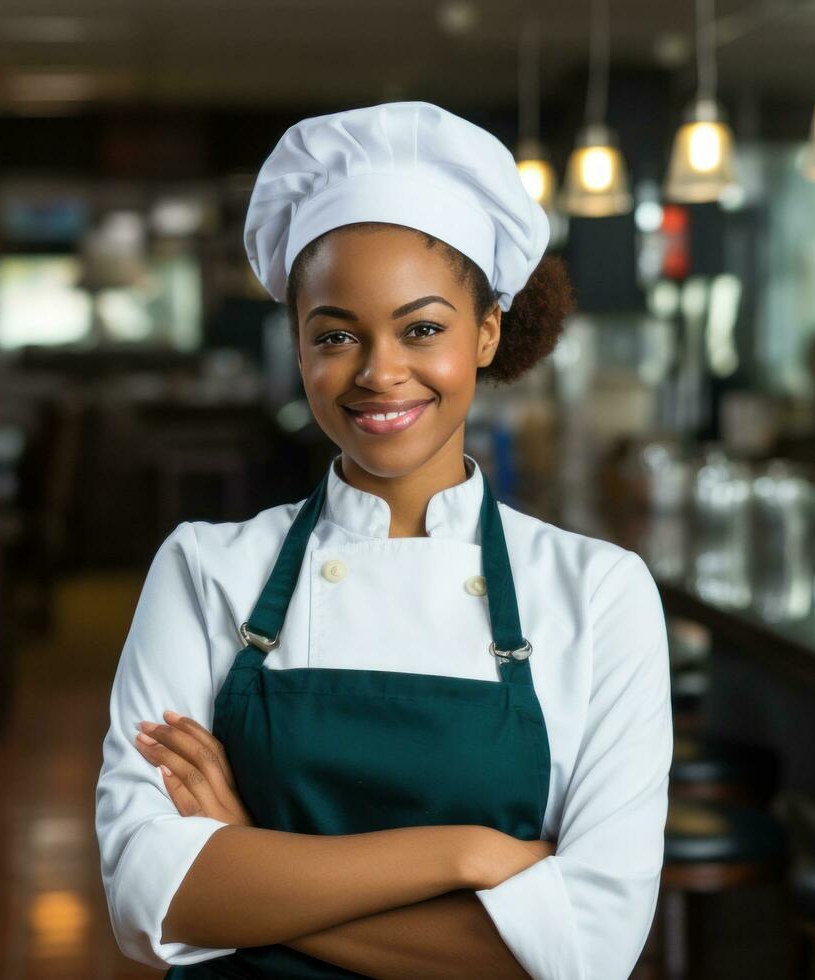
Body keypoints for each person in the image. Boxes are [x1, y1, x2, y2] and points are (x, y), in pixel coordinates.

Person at [94, 102, 671, 980]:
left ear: (485, 334)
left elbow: (585, 951)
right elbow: (149, 898)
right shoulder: (205, 570)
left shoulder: (599, 592)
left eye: (422, 328)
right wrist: (466, 856)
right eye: (335, 334)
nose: (378, 371)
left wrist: (247, 860)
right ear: (297, 346)